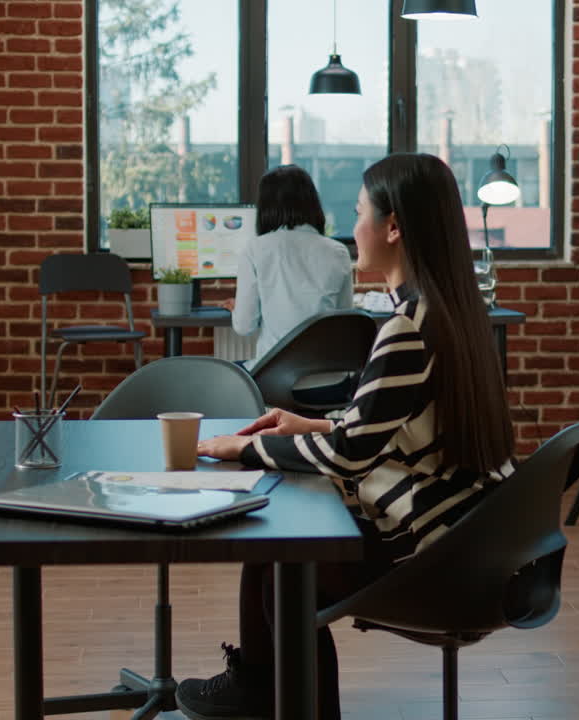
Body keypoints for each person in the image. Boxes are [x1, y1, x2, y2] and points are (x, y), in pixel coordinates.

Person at [180, 153, 516, 720]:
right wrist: (310, 424)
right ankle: (260, 687)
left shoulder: (408, 330)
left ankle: (270, 693)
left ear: (393, 227)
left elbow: (347, 455)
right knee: (276, 546)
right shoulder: (452, 312)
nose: (350, 227)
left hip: (436, 554)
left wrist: (245, 446)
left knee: (287, 559)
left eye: (358, 212)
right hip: (471, 535)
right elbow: (384, 430)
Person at [230, 165, 353, 371]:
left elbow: (244, 327)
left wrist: (238, 307)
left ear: (266, 207)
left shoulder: (255, 249)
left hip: (276, 382)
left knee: (232, 375)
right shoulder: (338, 251)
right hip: (330, 382)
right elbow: (344, 320)